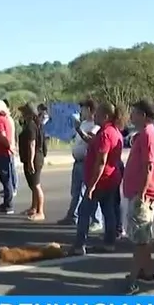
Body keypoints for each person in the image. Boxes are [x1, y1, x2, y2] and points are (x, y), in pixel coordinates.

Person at [122, 99, 154, 295]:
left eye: (135, 112)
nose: (132, 116)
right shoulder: (145, 134)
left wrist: (141, 194)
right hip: (141, 192)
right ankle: (147, 272)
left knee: (139, 239)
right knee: (143, 237)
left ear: (144, 116)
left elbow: (149, 166)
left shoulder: (148, 134)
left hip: (144, 195)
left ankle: (133, 280)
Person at [71, 102, 123, 256]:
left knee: (84, 211)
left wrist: (91, 185)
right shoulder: (112, 132)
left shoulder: (106, 134)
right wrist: (79, 131)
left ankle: (79, 245)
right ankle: (109, 243)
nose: (95, 117)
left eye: (98, 114)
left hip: (101, 181)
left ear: (106, 116)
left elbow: (101, 161)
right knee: (108, 211)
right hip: (110, 179)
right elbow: (92, 142)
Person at [60, 98, 103, 231]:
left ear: (90, 110)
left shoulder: (95, 125)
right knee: (76, 191)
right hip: (78, 162)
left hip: (87, 162)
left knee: (89, 191)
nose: (81, 111)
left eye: (83, 108)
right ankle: (73, 215)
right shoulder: (84, 123)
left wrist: (78, 130)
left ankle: (96, 219)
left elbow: (90, 139)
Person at [19, 102, 47, 221]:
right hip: (34, 157)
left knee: (36, 185)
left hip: (34, 158)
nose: (22, 114)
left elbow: (32, 143)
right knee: (32, 185)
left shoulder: (31, 125)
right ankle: (33, 207)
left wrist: (30, 161)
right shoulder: (34, 124)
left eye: (24, 112)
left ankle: (40, 212)